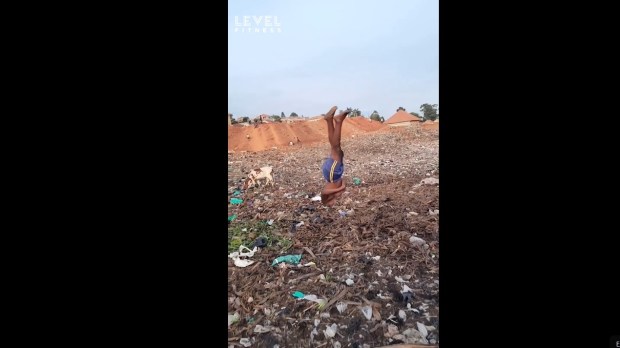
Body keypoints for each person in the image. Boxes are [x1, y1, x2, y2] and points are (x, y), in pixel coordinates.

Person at [320, 106, 350, 206]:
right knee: (337, 149)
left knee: (336, 148)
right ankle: (330, 120)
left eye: (330, 205)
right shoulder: (335, 195)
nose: (333, 204)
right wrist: (341, 189)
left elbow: (323, 192)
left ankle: (338, 121)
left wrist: (341, 188)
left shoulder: (325, 200)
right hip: (334, 174)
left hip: (332, 173)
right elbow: (342, 182)